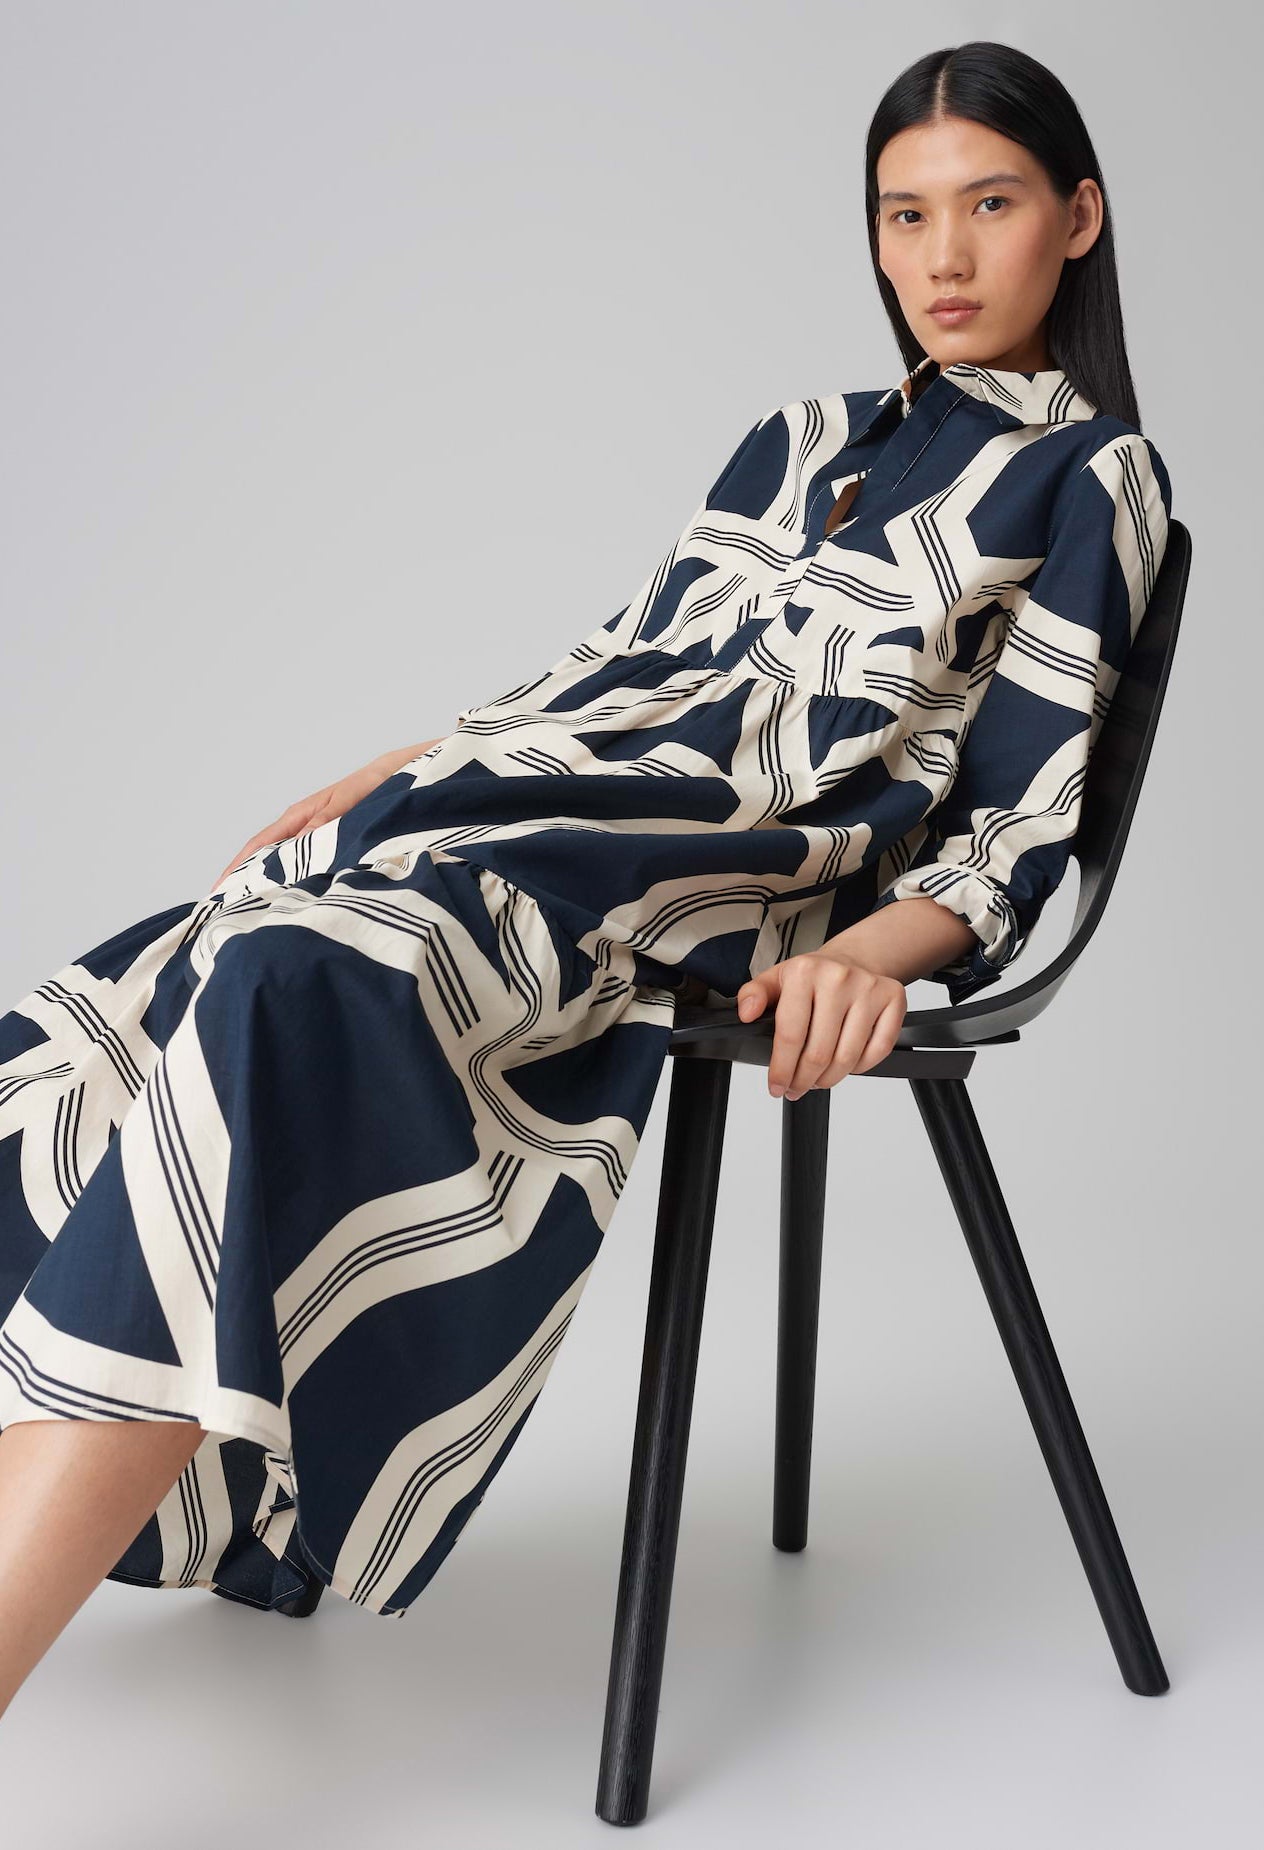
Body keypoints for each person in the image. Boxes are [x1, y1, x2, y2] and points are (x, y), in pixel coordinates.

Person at [0, 38, 1172, 1719]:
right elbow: (612, 671)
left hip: (708, 879)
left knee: (278, 987)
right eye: (904, 214)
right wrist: (406, 767)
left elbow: (1019, 819)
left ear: (1080, 216)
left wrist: (880, 957)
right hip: (528, 818)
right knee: (130, 1000)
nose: (943, 256)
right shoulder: (790, 441)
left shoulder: (1095, 476)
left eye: (989, 205)